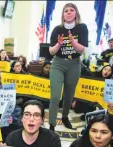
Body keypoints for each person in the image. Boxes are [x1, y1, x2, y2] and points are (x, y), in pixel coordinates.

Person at [48, 3, 89, 131]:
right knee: (55, 96)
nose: (69, 12)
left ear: (76, 13)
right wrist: (59, 44)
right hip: (58, 63)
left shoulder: (81, 28)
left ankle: (65, 117)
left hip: (74, 64)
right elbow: (51, 51)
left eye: (72, 10)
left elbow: (82, 50)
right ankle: (52, 125)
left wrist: (73, 42)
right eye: (66, 11)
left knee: (68, 95)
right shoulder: (57, 29)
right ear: (63, 14)